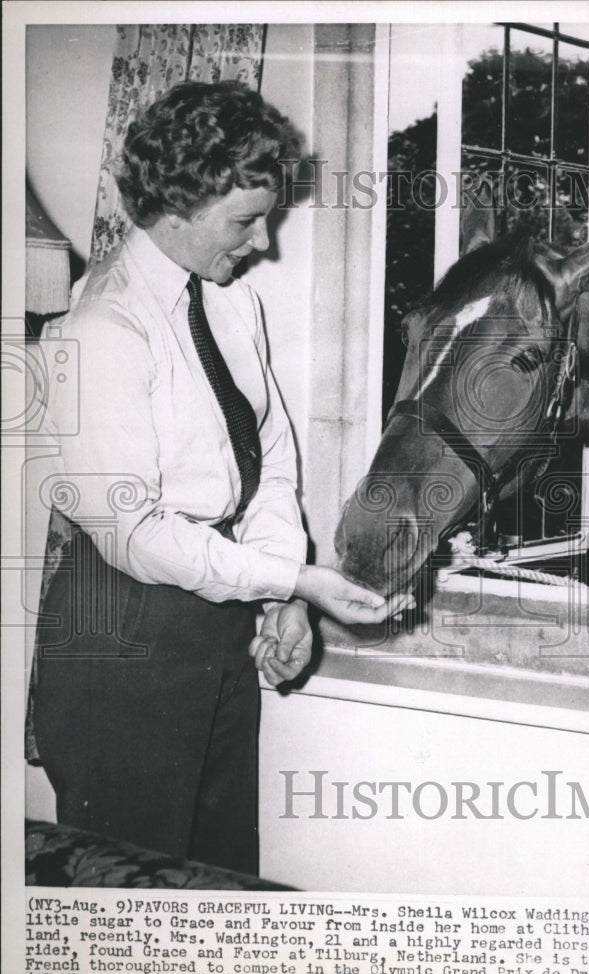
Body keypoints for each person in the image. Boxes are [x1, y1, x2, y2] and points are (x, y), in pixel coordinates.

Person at [31, 81, 410, 875]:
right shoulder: (99, 327)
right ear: (177, 204)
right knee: (133, 899)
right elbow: (134, 537)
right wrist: (295, 578)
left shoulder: (232, 306)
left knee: (219, 878)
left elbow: (269, 461)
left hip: (220, 626)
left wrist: (280, 601)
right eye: (244, 221)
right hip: (123, 640)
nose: (262, 242)